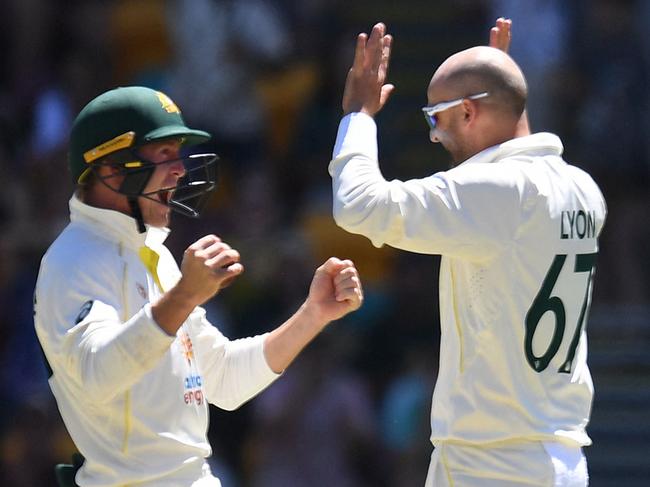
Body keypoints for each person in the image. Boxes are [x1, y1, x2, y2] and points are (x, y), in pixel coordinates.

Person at [34, 85, 363, 487]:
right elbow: (96, 375)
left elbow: (224, 378)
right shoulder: (72, 260)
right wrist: (185, 295)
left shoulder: (152, 253)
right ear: (112, 168)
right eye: (164, 154)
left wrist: (313, 315)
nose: (180, 169)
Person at [328, 20, 606, 487]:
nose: (435, 136)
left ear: (471, 113)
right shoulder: (582, 188)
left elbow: (357, 206)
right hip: (549, 453)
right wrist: (494, 77)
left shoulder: (497, 190)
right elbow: (495, 183)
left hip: (497, 463)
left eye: (435, 118)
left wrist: (358, 115)